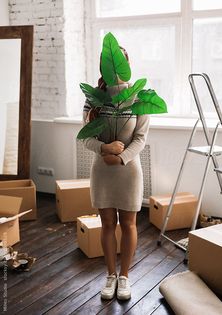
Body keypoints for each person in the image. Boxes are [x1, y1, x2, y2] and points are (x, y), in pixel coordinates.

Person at [81, 47, 150, 300]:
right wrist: (105, 149)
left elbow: (141, 139)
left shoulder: (139, 96)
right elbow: (85, 137)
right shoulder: (94, 97)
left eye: (117, 60)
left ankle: (125, 277)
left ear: (126, 63)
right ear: (102, 66)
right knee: (107, 224)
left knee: (129, 224)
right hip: (102, 170)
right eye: (107, 61)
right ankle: (110, 276)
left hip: (128, 170)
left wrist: (119, 157)